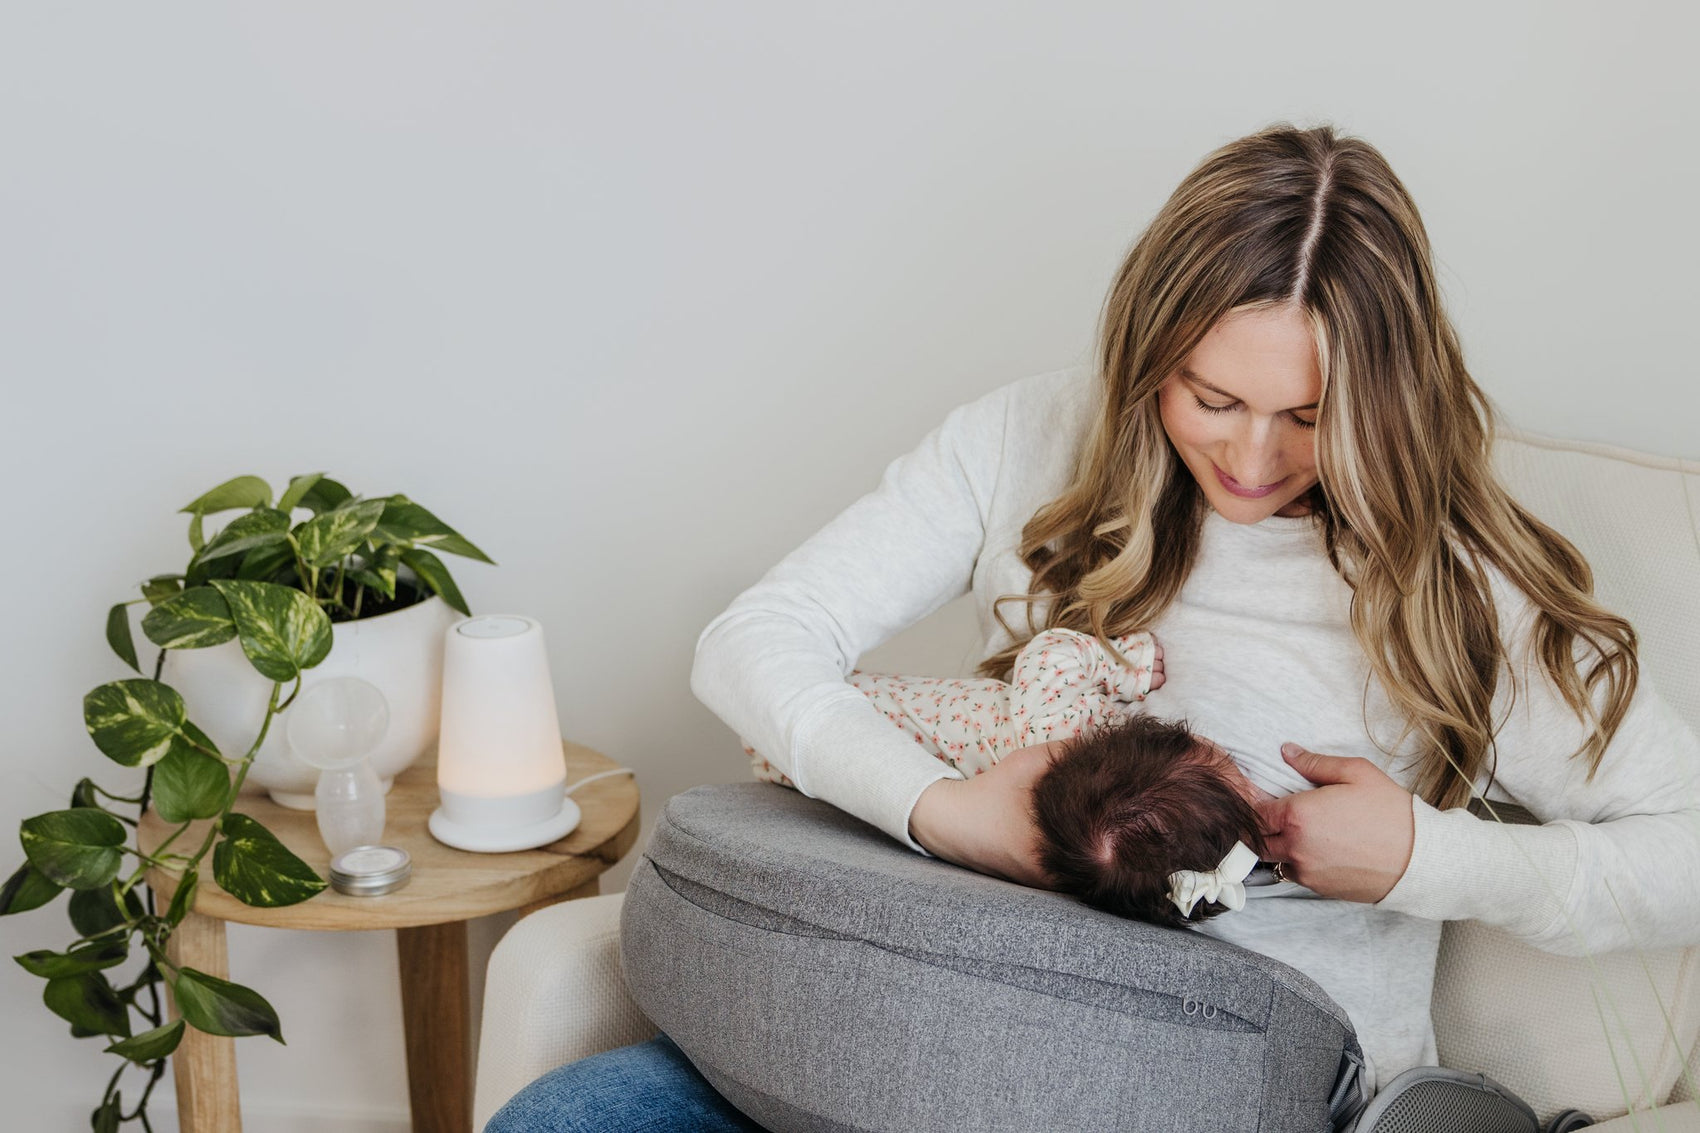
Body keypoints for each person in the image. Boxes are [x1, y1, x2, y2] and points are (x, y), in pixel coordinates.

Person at [485, 121, 1700, 1131]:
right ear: (1145, 353)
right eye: (1210, 397)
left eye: (1309, 416)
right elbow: (754, 640)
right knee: (574, 1115)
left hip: (1230, 1084)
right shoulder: (1025, 439)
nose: (1251, 454)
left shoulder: (1458, 583)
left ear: (1386, 399)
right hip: (945, 1024)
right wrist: (945, 811)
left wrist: (1426, 858)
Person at [745, 627, 1286, 929]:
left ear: (1164, 737)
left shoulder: (1060, 725)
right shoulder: (1058, 850)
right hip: (814, 750)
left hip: (837, 718)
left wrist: (1127, 664)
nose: (1249, 779)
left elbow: (1049, 653)